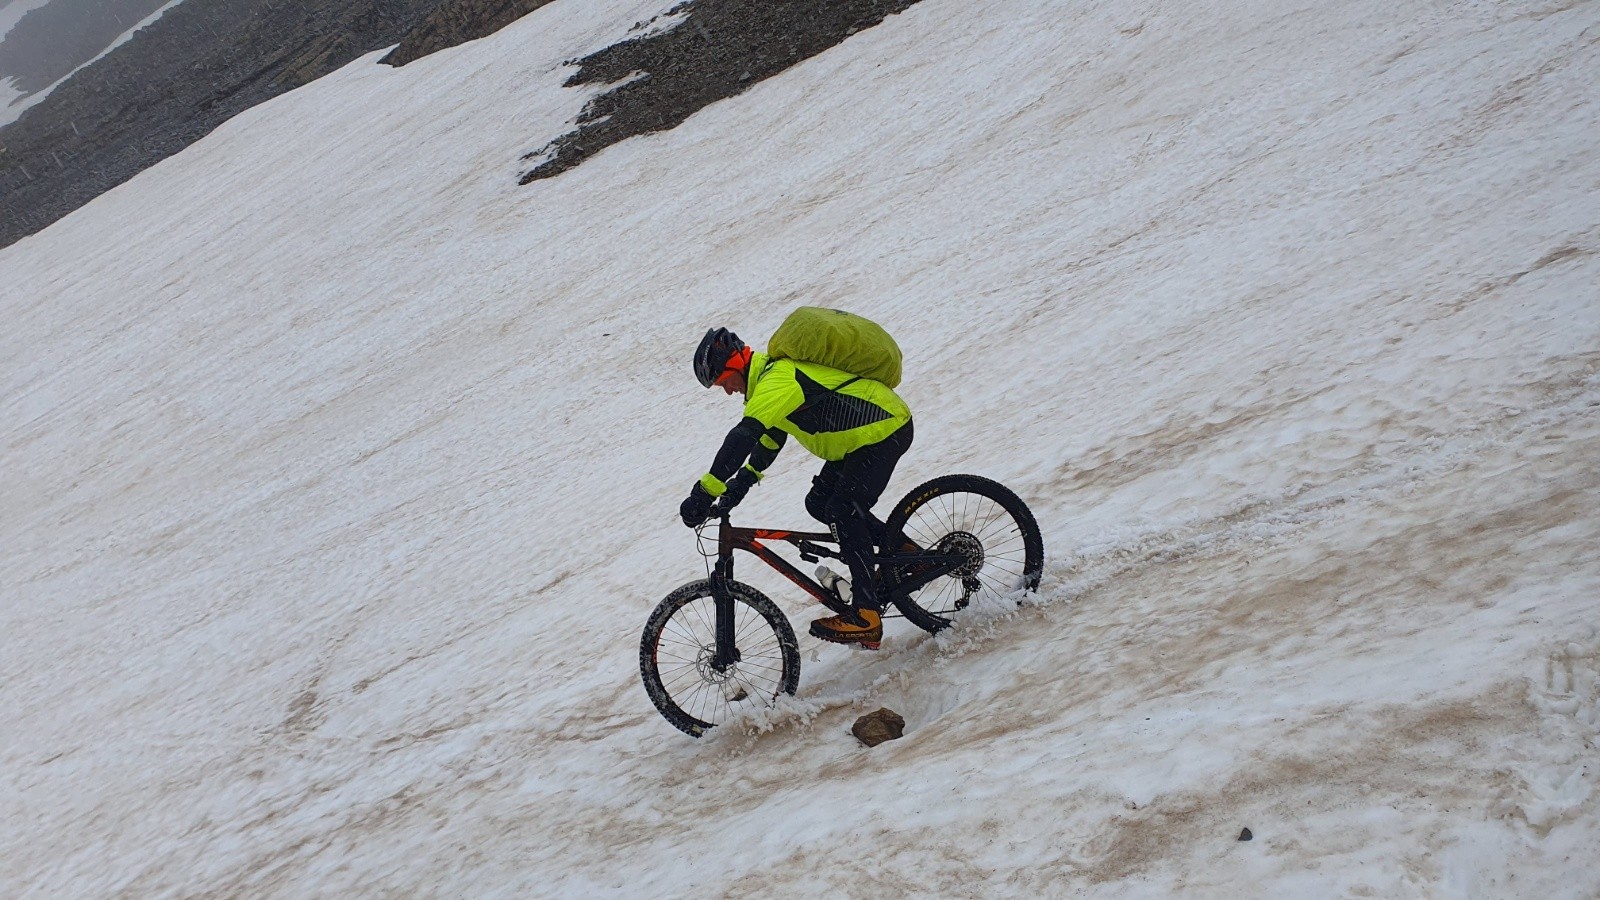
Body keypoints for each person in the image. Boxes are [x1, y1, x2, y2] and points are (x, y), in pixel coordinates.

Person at [679, 326, 913, 647]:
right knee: (819, 504)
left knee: (843, 510)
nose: (728, 392)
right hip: (857, 442)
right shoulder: (767, 385)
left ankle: (866, 615)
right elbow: (768, 441)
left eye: (723, 383)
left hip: (882, 430)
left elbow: (743, 436)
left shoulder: (778, 379)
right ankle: (908, 554)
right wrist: (738, 487)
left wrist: (704, 492)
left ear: (734, 366)